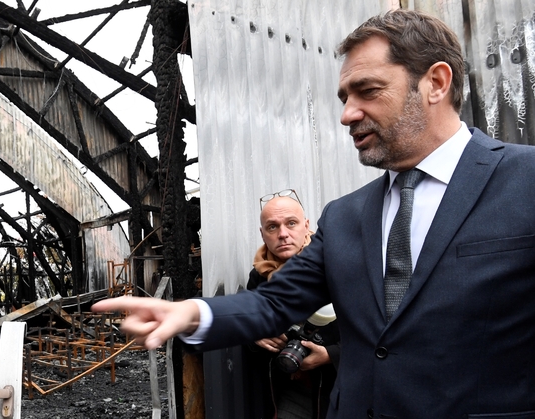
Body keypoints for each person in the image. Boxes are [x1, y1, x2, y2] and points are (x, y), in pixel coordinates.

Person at [92, 9, 535, 419]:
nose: (347, 114)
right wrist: (189, 314)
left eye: (368, 91)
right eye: (344, 96)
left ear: (436, 83)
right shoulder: (345, 217)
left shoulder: (524, 181)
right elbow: (272, 302)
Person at [245, 190, 339, 418]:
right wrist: (255, 335)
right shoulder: (258, 276)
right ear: (262, 234)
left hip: (341, 385)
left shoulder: (337, 265)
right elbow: (246, 331)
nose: (283, 234)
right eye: (272, 227)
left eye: (291, 223)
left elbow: (374, 329)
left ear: (306, 226)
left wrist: (331, 354)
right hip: (290, 388)